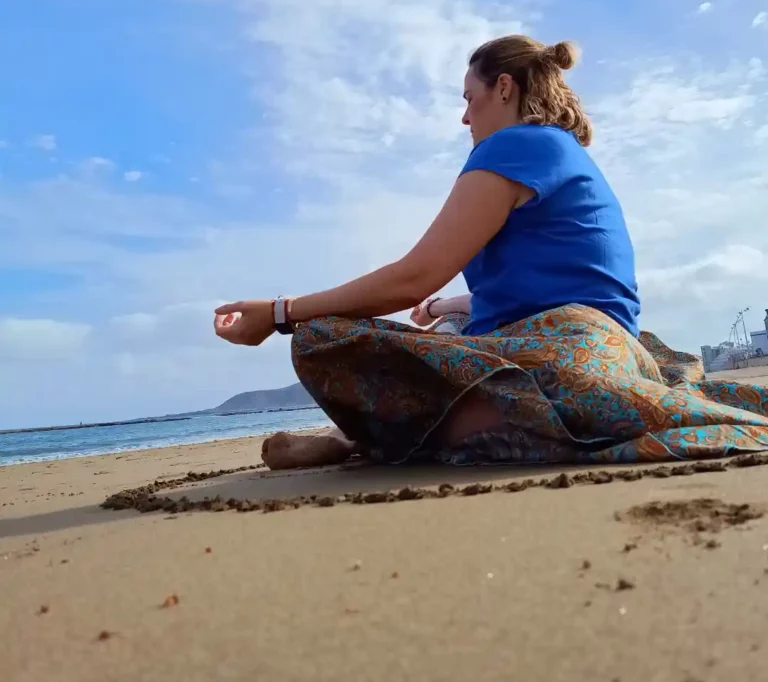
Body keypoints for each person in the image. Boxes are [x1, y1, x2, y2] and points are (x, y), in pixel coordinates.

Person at [214, 34, 768, 471]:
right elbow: (517, 287)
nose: (464, 118)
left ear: (504, 88)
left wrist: (280, 312)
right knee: (448, 345)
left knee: (323, 336)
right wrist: (443, 309)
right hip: (602, 344)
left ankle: (384, 435)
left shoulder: (516, 145)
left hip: (570, 344)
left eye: (468, 99)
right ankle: (413, 431)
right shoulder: (557, 151)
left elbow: (414, 276)